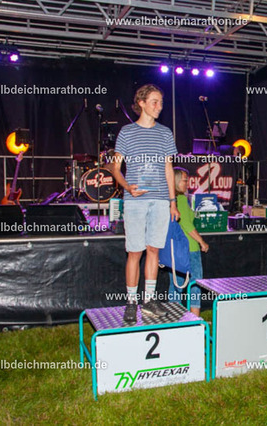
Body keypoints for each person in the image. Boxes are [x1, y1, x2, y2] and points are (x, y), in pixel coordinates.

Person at [111, 84, 179, 323]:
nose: (159, 106)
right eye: (154, 102)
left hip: (160, 201)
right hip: (135, 201)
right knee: (135, 251)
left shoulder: (165, 133)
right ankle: (131, 302)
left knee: (154, 250)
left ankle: (149, 300)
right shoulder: (127, 132)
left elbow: (168, 169)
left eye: (161, 102)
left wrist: (172, 202)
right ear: (141, 103)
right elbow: (115, 168)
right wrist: (127, 186)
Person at [168, 167, 209, 316]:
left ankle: (175, 318)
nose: (187, 183)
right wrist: (201, 241)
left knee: (176, 286)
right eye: (184, 180)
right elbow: (186, 224)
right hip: (190, 248)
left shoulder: (170, 200)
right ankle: (195, 318)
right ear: (176, 181)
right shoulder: (180, 199)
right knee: (195, 284)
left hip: (175, 250)